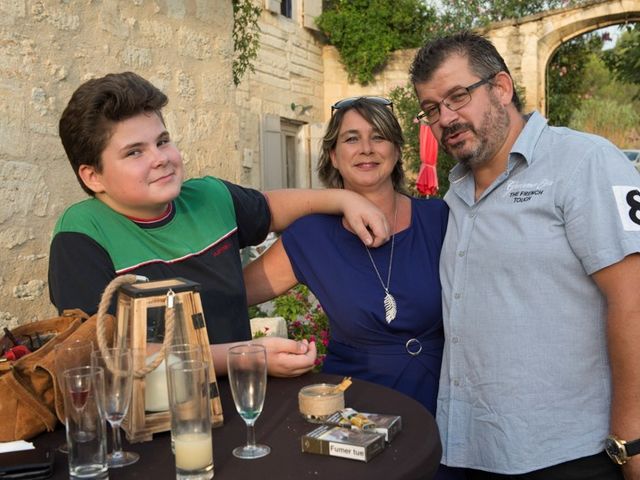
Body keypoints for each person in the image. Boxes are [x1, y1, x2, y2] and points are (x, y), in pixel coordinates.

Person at [48, 72, 391, 378]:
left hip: (239, 408)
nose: (161, 158)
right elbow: (103, 355)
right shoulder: (82, 233)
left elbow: (272, 207)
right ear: (93, 176)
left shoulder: (209, 197)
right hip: (142, 432)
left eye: (162, 141)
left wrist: (344, 199)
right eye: (134, 152)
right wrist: (245, 357)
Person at [410, 31, 640, 480]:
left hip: (571, 454)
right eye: (432, 109)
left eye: (458, 97)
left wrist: (631, 438)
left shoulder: (583, 161)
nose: (446, 119)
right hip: (474, 450)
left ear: (501, 87)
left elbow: (633, 300)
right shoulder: (456, 191)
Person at [244, 97, 463, 479]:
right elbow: (230, 295)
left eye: (378, 137)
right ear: (332, 154)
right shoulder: (310, 237)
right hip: (355, 412)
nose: (366, 148)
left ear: (396, 150)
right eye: (351, 138)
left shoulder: (440, 219)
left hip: (446, 403)